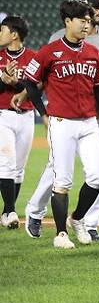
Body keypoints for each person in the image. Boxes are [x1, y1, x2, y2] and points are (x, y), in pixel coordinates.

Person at [24, 0, 99, 241]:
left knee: (97, 176)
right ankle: (60, 234)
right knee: (62, 180)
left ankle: (77, 218)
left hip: (90, 123)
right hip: (62, 123)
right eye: (81, 20)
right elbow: (30, 82)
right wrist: (43, 113)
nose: (85, 24)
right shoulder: (49, 50)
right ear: (67, 21)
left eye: (87, 21)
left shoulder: (93, 52)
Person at [0, 15, 36, 230]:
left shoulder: (33, 57)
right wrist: (2, 81)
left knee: (19, 168)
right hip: (3, 114)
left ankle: (6, 212)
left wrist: (16, 82)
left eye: (2, 30)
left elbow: (35, 88)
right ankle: (11, 211)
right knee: (6, 161)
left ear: (14, 35)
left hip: (27, 115)